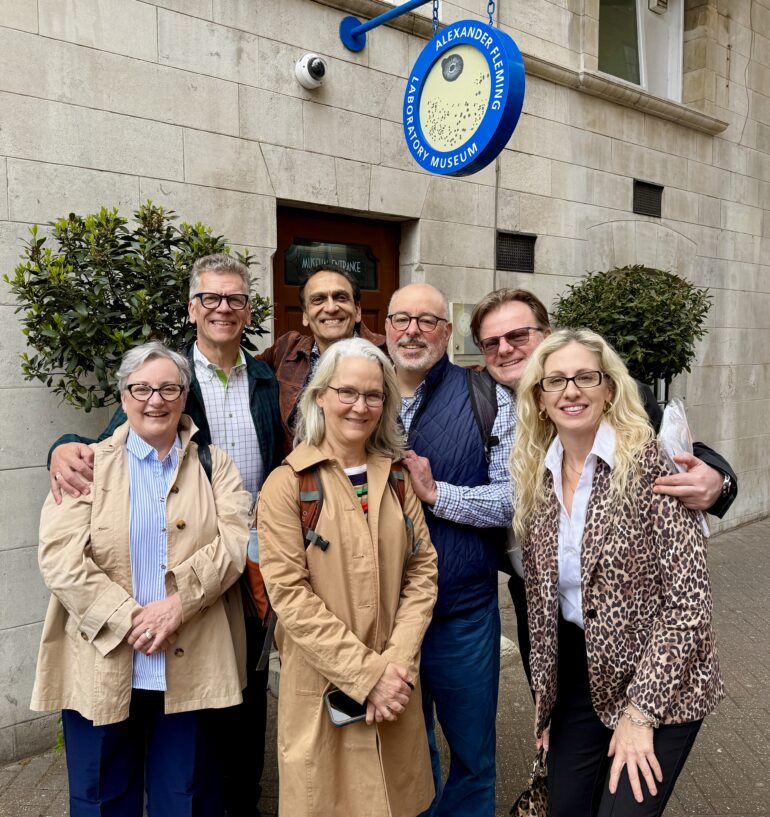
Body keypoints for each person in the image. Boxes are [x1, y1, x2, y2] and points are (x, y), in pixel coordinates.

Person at [46, 253, 282, 817]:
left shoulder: (267, 380)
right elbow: (64, 549)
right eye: (210, 298)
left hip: (236, 588)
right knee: (106, 788)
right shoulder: (111, 451)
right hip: (115, 638)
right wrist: (59, 446)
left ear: (249, 309)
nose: (157, 399)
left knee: (224, 739)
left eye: (235, 299)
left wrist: (179, 604)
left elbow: (238, 527)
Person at [468, 287, 737, 683]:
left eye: (518, 336)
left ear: (547, 334)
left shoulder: (610, 392)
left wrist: (718, 478)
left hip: (620, 603)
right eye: (491, 343)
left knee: (634, 723)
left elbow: (673, 450)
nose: (505, 349)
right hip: (537, 600)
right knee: (555, 719)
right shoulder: (476, 403)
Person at [31, 342, 253, 816]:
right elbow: (60, 559)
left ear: (183, 395)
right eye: (142, 388)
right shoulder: (85, 465)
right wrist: (128, 618)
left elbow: (235, 544)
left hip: (191, 659)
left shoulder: (217, 466)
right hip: (104, 657)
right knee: (101, 799)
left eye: (169, 388)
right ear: (124, 395)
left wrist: (177, 605)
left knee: (187, 798)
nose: (156, 399)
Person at [511, 328, 725, 817]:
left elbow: (689, 604)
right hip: (583, 679)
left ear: (609, 389)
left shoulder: (653, 463)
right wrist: (547, 707)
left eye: (586, 377)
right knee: (566, 808)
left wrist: (640, 714)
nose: (571, 390)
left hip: (663, 681)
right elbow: (543, 606)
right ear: (540, 399)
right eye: (556, 381)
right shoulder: (536, 474)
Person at [257, 337, 438, 817]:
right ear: (320, 396)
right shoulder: (288, 485)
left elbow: (422, 572)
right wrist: (367, 677)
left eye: (374, 395)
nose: (361, 406)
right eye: (347, 392)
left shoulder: (398, 479)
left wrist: (395, 664)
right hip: (324, 688)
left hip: (394, 686)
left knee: (395, 801)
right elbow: (290, 598)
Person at [384, 284, 514, 817]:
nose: (412, 330)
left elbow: (510, 501)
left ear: (446, 331)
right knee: (407, 755)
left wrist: (439, 496)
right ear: (386, 327)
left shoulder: (488, 398)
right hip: (385, 619)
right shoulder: (360, 391)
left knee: (473, 756)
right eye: (401, 319)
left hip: (461, 612)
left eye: (426, 320)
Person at [257, 264, 386, 451]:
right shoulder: (286, 350)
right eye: (318, 300)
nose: (331, 308)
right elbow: (239, 371)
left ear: (357, 310)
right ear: (305, 315)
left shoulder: (386, 355)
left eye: (340, 297)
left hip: (363, 475)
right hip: (299, 475)